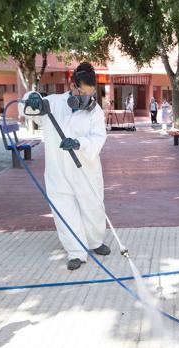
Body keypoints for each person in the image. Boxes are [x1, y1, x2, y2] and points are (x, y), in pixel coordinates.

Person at [19, 62, 111, 270]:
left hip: (85, 168)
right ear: (72, 86)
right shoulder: (52, 104)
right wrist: (32, 99)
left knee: (93, 207)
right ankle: (76, 251)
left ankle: (95, 241)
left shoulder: (95, 111)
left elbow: (99, 137)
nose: (87, 98)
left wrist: (80, 143)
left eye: (90, 93)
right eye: (82, 92)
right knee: (64, 210)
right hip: (58, 171)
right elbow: (29, 110)